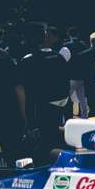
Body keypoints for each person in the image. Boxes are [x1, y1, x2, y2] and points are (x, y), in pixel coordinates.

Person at [18, 22, 69, 164]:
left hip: (40, 109)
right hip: (58, 107)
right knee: (53, 138)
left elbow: (23, 91)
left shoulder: (28, 61)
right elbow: (66, 84)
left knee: (41, 144)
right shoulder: (58, 57)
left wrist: (26, 118)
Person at [0, 47, 26, 165]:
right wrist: (24, 116)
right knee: (13, 155)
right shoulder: (3, 56)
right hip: (8, 113)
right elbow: (19, 89)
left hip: (5, 112)